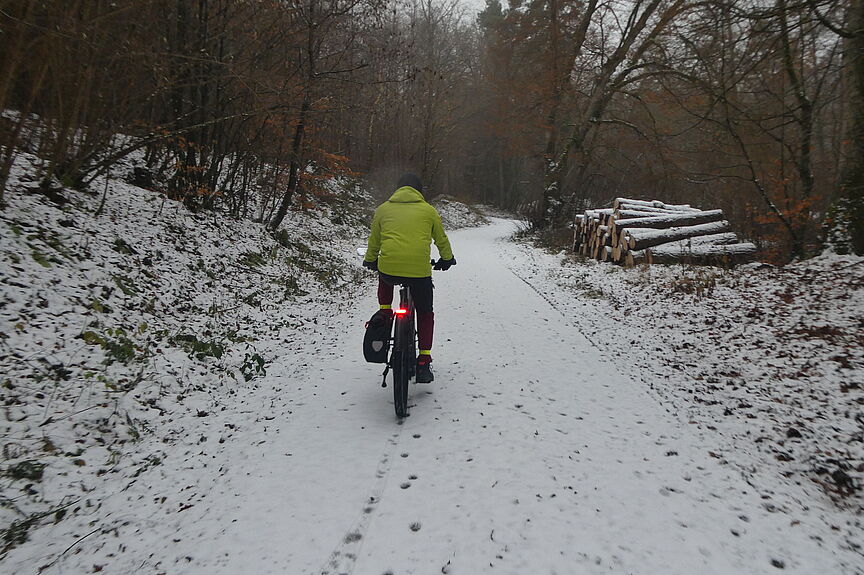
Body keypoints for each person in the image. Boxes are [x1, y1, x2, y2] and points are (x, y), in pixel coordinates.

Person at [363, 173, 456, 383]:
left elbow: (374, 243)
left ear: (397, 189)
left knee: (383, 271)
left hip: (390, 270)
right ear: (419, 191)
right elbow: (441, 239)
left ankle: (386, 311)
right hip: (419, 273)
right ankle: (423, 359)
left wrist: (370, 260)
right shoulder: (428, 211)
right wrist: (447, 259)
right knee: (425, 313)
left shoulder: (383, 209)